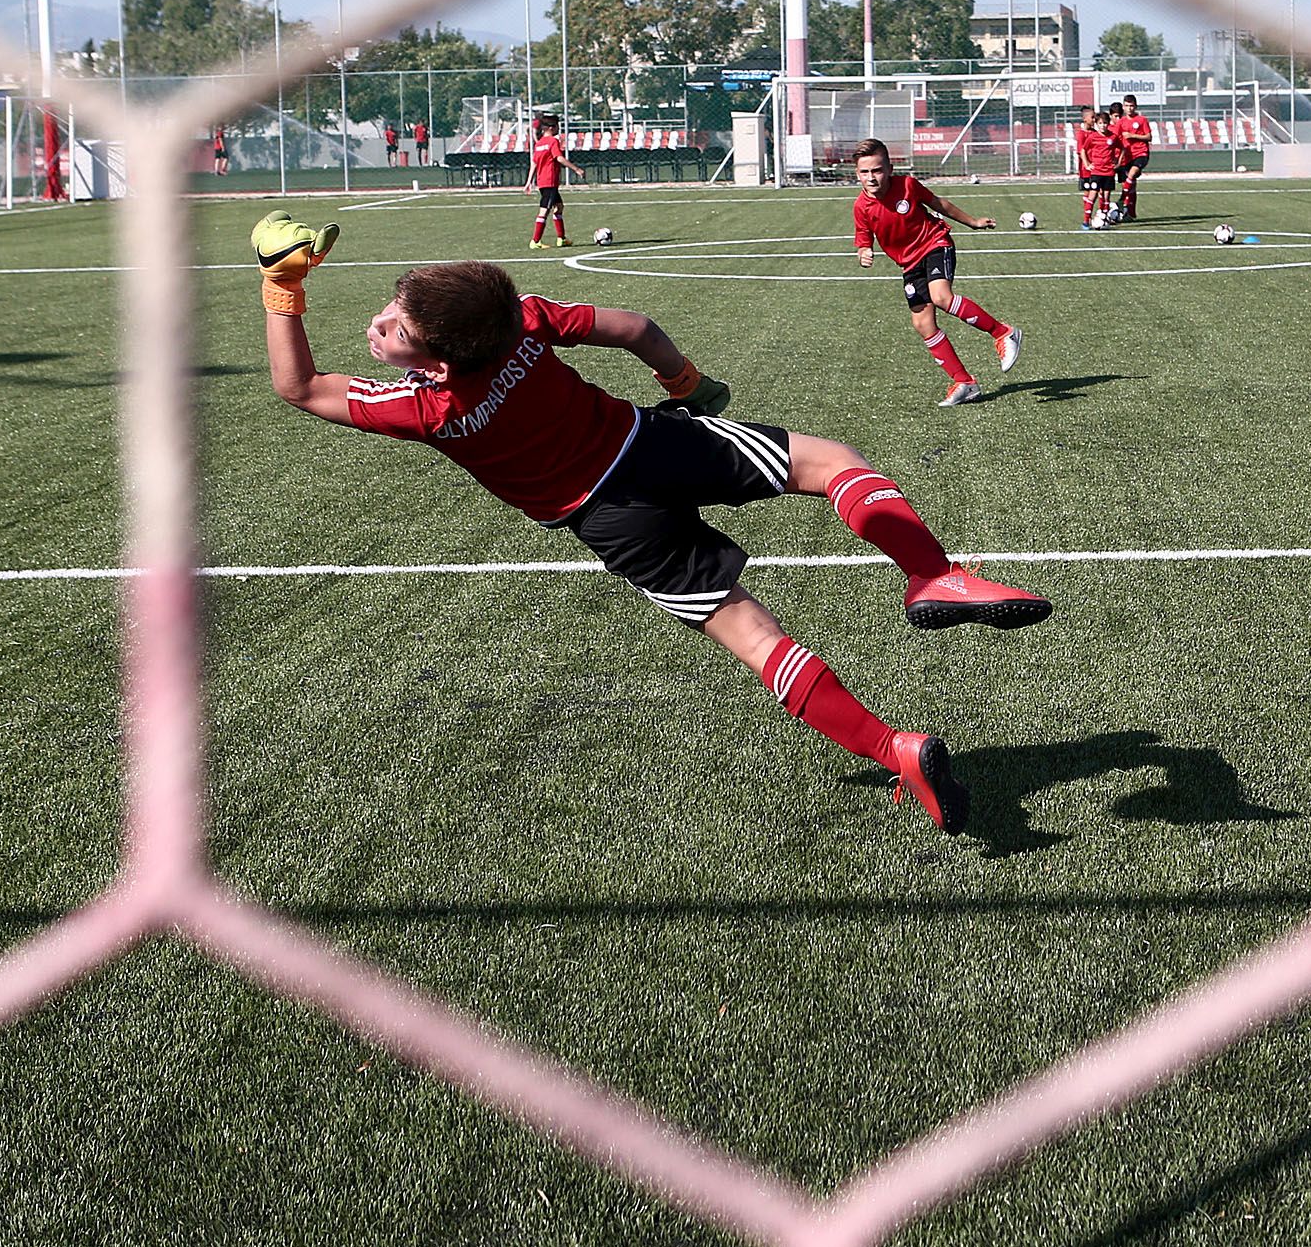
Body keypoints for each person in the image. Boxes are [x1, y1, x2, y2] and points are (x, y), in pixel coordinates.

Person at [249, 211, 1048, 835]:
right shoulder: (522, 320)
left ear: (433, 364)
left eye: (396, 321)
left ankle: (896, 751)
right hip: (653, 444)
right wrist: (686, 380)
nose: (383, 319)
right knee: (833, 461)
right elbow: (630, 326)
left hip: (610, 522)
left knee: (754, 637)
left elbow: (300, 386)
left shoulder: (429, 407)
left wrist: (282, 288)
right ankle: (929, 573)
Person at [851, 138, 1020, 406]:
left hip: (934, 244)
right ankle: (964, 382)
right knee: (922, 323)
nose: (872, 178)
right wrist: (863, 251)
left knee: (941, 296)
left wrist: (973, 222)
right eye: (865, 172)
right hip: (909, 263)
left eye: (877, 170)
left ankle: (1003, 333)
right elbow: (863, 236)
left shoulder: (907, 186)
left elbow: (939, 204)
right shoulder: (861, 207)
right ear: (857, 173)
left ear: (890, 168)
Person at [1109, 94, 1155, 222]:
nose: (1129, 108)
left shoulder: (1141, 120)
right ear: (1123, 107)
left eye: (1132, 106)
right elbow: (1114, 137)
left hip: (1141, 153)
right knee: (1132, 185)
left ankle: (1121, 200)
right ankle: (1130, 213)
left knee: (1132, 175)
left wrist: (1132, 135)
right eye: (1127, 106)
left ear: (1136, 106)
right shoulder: (1122, 122)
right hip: (1127, 156)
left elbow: (1149, 137)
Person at [529, 112, 570, 250]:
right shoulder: (553, 141)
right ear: (552, 128)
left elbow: (534, 163)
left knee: (559, 207)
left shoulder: (539, 144)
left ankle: (562, 239)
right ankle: (535, 241)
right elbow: (559, 158)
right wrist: (576, 169)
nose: (559, 129)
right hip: (550, 181)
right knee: (544, 211)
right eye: (558, 126)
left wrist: (529, 181)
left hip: (542, 182)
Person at [1073, 109, 1119, 227]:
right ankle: (1086, 220)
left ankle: (1103, 217)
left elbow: (1121, 148)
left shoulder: (1112, 137)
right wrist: (1087, 164)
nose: (1101, 125)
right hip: (1093, 170)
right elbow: (1081, 150)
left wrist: (1117, 161)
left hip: (1108, 171)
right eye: (1098, 122)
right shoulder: (1087, 135)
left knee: (1105, 195)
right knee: (1090, 194)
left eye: (1104, 123)